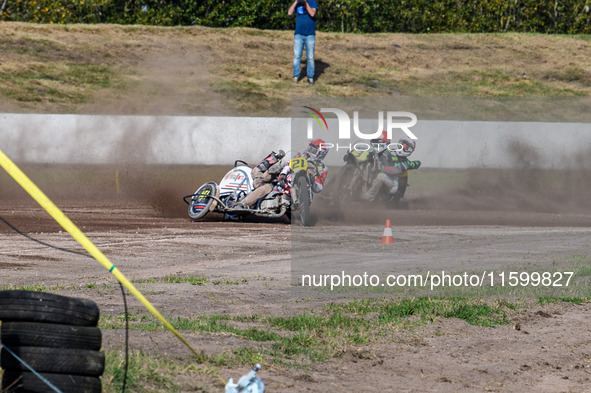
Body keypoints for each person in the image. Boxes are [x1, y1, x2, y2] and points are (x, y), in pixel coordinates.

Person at [361, 135, 421, 201]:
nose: (402, 147)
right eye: (402, 144)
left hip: (394, 183)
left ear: (409, 150)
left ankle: (370, 196)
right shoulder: (391, 152)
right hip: (385, 178)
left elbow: (398, 169)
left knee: (380, 176)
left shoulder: (405, 161)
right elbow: (381, 155)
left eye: (406, 146)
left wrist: (382, 168)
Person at [288, 0, 318, 85]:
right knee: (297, 56)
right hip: (298, 34)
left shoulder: (312, 2)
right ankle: (296, 76)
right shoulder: (297, 3)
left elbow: (312, 13)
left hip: (310, 34)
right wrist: (296, 1)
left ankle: (310, 77)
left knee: (310, 57)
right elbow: (290, 13)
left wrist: (305, 3)